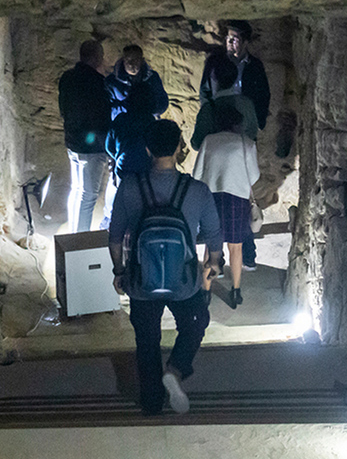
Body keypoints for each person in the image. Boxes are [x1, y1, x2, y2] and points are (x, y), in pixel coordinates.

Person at [108, 120, 222, 416]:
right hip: (184, 281)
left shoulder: (130, 186)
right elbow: (213, 235)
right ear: (179, 148)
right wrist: (212, 265)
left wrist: (119, 271)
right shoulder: (197, 190)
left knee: (146, 341)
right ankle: (176, 368)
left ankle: (151, 404)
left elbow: (115, 235)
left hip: (141, 281)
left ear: (147, 149)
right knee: (195, 325)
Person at [199, 20, 270, 270]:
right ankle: (218, 260)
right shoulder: (215, 63)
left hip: (242, 141)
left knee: (243, 198)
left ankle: (247, 254)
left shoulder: (254, 67)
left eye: (237, 38)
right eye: (229, 37)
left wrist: (254, 123)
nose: (232, 42)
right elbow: (204, 91)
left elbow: (263, 96)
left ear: (246, 41)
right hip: (221, 140)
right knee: (224, 201)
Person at [193, 107, 259, 307]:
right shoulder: (246, 144)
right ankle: (236, 291)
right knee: (236, 247)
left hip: (211, 199)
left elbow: (197, 174)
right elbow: (254, 176)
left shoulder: (208, 141)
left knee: (210, 247)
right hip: (237, 199)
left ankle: (205, 291)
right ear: (237, 125)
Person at [102, 44, 170, 228]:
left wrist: (146, 109)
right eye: (129, 61)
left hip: (130, 138)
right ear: (123, 61)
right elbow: (107, 107)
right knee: (117, 187)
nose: (133, 65)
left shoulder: (151, 78)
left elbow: (162, 103)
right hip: (124, 138)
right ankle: (110, 220)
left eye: (136, 60)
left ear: (142, 59)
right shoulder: (112, 82)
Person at [58, 39, 111, 233]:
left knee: (77, 190)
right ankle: (79, 239)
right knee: (88, 196)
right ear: (98, 57)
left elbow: (63, 109)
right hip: (91, 147)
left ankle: (74, 232)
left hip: (72, 142)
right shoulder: (97, 83)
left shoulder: (67, 78)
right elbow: (102, 117)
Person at [191, 55, 258, 151]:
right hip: (240, 162)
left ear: (213, 76)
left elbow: (197, 144)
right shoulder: (247, 104)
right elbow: (252, 134)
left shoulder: (208, 110)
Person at [105, 84, 157, 179]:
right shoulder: (150, 120)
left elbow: (109, 147)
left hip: (123, 167)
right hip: (145, 168)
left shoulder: (120, 119)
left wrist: (117, 156)